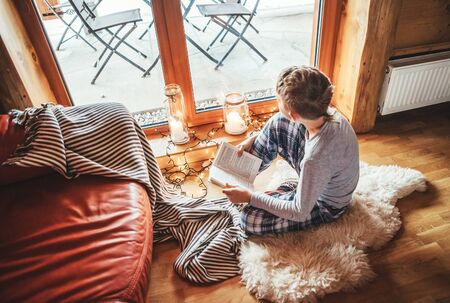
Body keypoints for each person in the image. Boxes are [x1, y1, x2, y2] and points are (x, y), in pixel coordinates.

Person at [222, 66, 359, 235]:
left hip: (324, 206)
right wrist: (256, 138)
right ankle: (242, 174)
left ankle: (276, 193)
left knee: (248, 219)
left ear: (293, 116)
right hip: (321, 172)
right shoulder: (327, 113)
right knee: (277, 123)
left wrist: (250, 197)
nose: (276, 102)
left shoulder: (314, 159)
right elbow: (283, 125)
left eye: (278, 100)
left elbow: (299, 212)